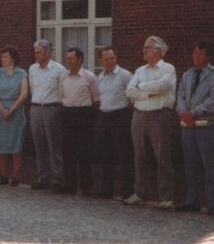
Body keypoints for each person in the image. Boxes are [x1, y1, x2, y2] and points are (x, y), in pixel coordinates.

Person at [124, 36, 177, 208]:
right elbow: (129, 91)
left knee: (162, 156)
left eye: (147, 48)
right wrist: (147, 92)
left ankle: (166, 196)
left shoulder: (168, 69)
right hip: (139, 115)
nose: (144, 51)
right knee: (139, 156)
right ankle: (140, 193)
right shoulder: (140, 70)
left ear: (158, 51)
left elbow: (162, 87)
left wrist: (141, 88)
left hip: (159, 115)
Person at [176, 40, 214, 215]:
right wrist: (183, 112)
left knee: (208, 164)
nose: (196, 57)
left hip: (206, 125)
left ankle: (213, 204)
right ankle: (192, 201)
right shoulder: (187, 75)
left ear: (208, 57)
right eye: (194, 53)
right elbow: (180, 95)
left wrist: (194, 112)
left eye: (200, 54)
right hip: (188, 126)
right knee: (190, 165)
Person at [94, 46, 134, 200]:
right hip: (104, 116)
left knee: (124, 154)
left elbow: (132, 98)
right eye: (106, 59)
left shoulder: (125, 76)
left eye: (112, 58)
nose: (110, 61)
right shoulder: (100, 77)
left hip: (120, 116)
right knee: (105, 154)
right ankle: (106, 188)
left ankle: (127, 190)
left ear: (116, 58)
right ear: (101, 61)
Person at [60, 47, 99, 195]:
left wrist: (90, 117)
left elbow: (96, 99)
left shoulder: (90, 77)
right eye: (67, 58)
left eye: (71, 58)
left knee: (84, 152)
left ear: (80, 59)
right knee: (67, 152)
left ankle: (86, 187)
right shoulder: (63, 77)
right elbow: (61, 96)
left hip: (84, 114)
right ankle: (70, 185)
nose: (68, 61)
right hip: (68, 113)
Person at [28, 39, 66, 192]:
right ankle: (43, 177)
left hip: (52, 109)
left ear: (48, 53)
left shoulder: (59, 70)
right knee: (39, 145)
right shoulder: (32, 69)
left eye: (39, 52)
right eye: (35, 52)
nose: (36, 55)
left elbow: (63, 91)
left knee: (54, 145)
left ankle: (58, 179)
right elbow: (32, 88)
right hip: (36, 108)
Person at [0, 45, 29, 186]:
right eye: (2, 57)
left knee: (16, 144)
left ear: (12, 58)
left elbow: (24, 93)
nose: (2, 59)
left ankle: (16, 176)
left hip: (16, 111)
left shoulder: (21, 74)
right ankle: (3, 175)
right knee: (1, 143)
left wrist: (11, 110)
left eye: (5, 56)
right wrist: (2, 110)